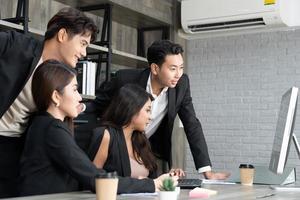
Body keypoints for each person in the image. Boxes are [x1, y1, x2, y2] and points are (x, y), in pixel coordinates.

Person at [19, 60, 176, 196]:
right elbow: (95, 177)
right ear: (55, 96)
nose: (80, 97)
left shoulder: (45, 125)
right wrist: (152, 184)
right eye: (74, 89)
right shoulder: (52, 130)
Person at [89, 40, 229, 179]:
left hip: (144, 149)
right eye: (173, 68)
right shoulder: (125, 79)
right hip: (113, 147)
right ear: (155, 68)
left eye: (181, 67)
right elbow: (96, 107)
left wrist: (207, 172)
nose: (178, 74)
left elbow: (192, 124)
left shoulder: (182, 84)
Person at [0, 7, 97, 197]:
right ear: (62, 35)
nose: (85, 53)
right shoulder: (15, 46)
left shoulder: (60, 78)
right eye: (83, 43)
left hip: (14, 147)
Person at [88, 84, 183, 189]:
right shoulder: (106, 135)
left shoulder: (140, 139)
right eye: (147, 110)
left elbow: (150, 181)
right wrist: (147, 184)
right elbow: (94, 180)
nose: (150, 117)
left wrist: (166, 178)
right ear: (132, 109)